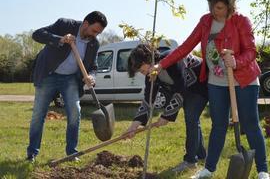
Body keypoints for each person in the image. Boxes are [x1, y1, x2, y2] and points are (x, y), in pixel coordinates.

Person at [150, 0, 269, 179]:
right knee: (218, 125)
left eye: (220, 7)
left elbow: (251, 51)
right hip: (216, 82)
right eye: (212, 6)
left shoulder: (241, 21)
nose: (215, 11)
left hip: (244, 79)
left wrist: (236, 61)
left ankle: (263, 170)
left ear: (230, 5)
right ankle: (209, 169)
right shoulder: (206, 22)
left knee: (250, 123)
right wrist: (161, 64)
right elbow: (186, 46)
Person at [26, 11, 107, 162]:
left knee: (75, 112)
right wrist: (60, 39)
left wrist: (91, 77)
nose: (95, 35)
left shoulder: (94, 44)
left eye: (99, 33)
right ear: (85, 24)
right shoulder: (64, 24)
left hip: (70, 79)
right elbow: (37, 34)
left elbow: (93, 67)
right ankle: (32, 153)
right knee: (38, 114)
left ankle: (71, 152)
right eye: (94, 31)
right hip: (48, 74)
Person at [124, 44, 209, 172]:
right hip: (187, 89)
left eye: (141, 70)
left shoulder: (172, 59)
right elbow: (148, 100)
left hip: (200, 84)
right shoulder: (151, 73)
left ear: (147, 60)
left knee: (191, 118)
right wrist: (134, 126)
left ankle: (190, 161)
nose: (142, 74)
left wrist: (166, 116)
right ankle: (201, 155)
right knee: (193, 120)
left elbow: (181, 87)